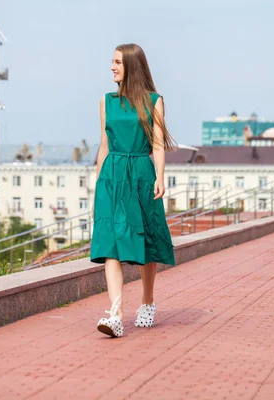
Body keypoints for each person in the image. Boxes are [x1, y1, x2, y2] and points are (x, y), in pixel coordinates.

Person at [90, 43, 177, 338]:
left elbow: (157, 144)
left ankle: (147, 301)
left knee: (145, 240)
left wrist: (161, 176)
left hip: (141, 173)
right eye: (112, 62)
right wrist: (99, 182)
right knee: (110, 243)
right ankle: (115, 314)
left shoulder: (153, 101)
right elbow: (103, 145)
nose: (112, 67)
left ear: (131, 65)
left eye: (117, 62)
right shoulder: (106, 101)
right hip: (112, 175)